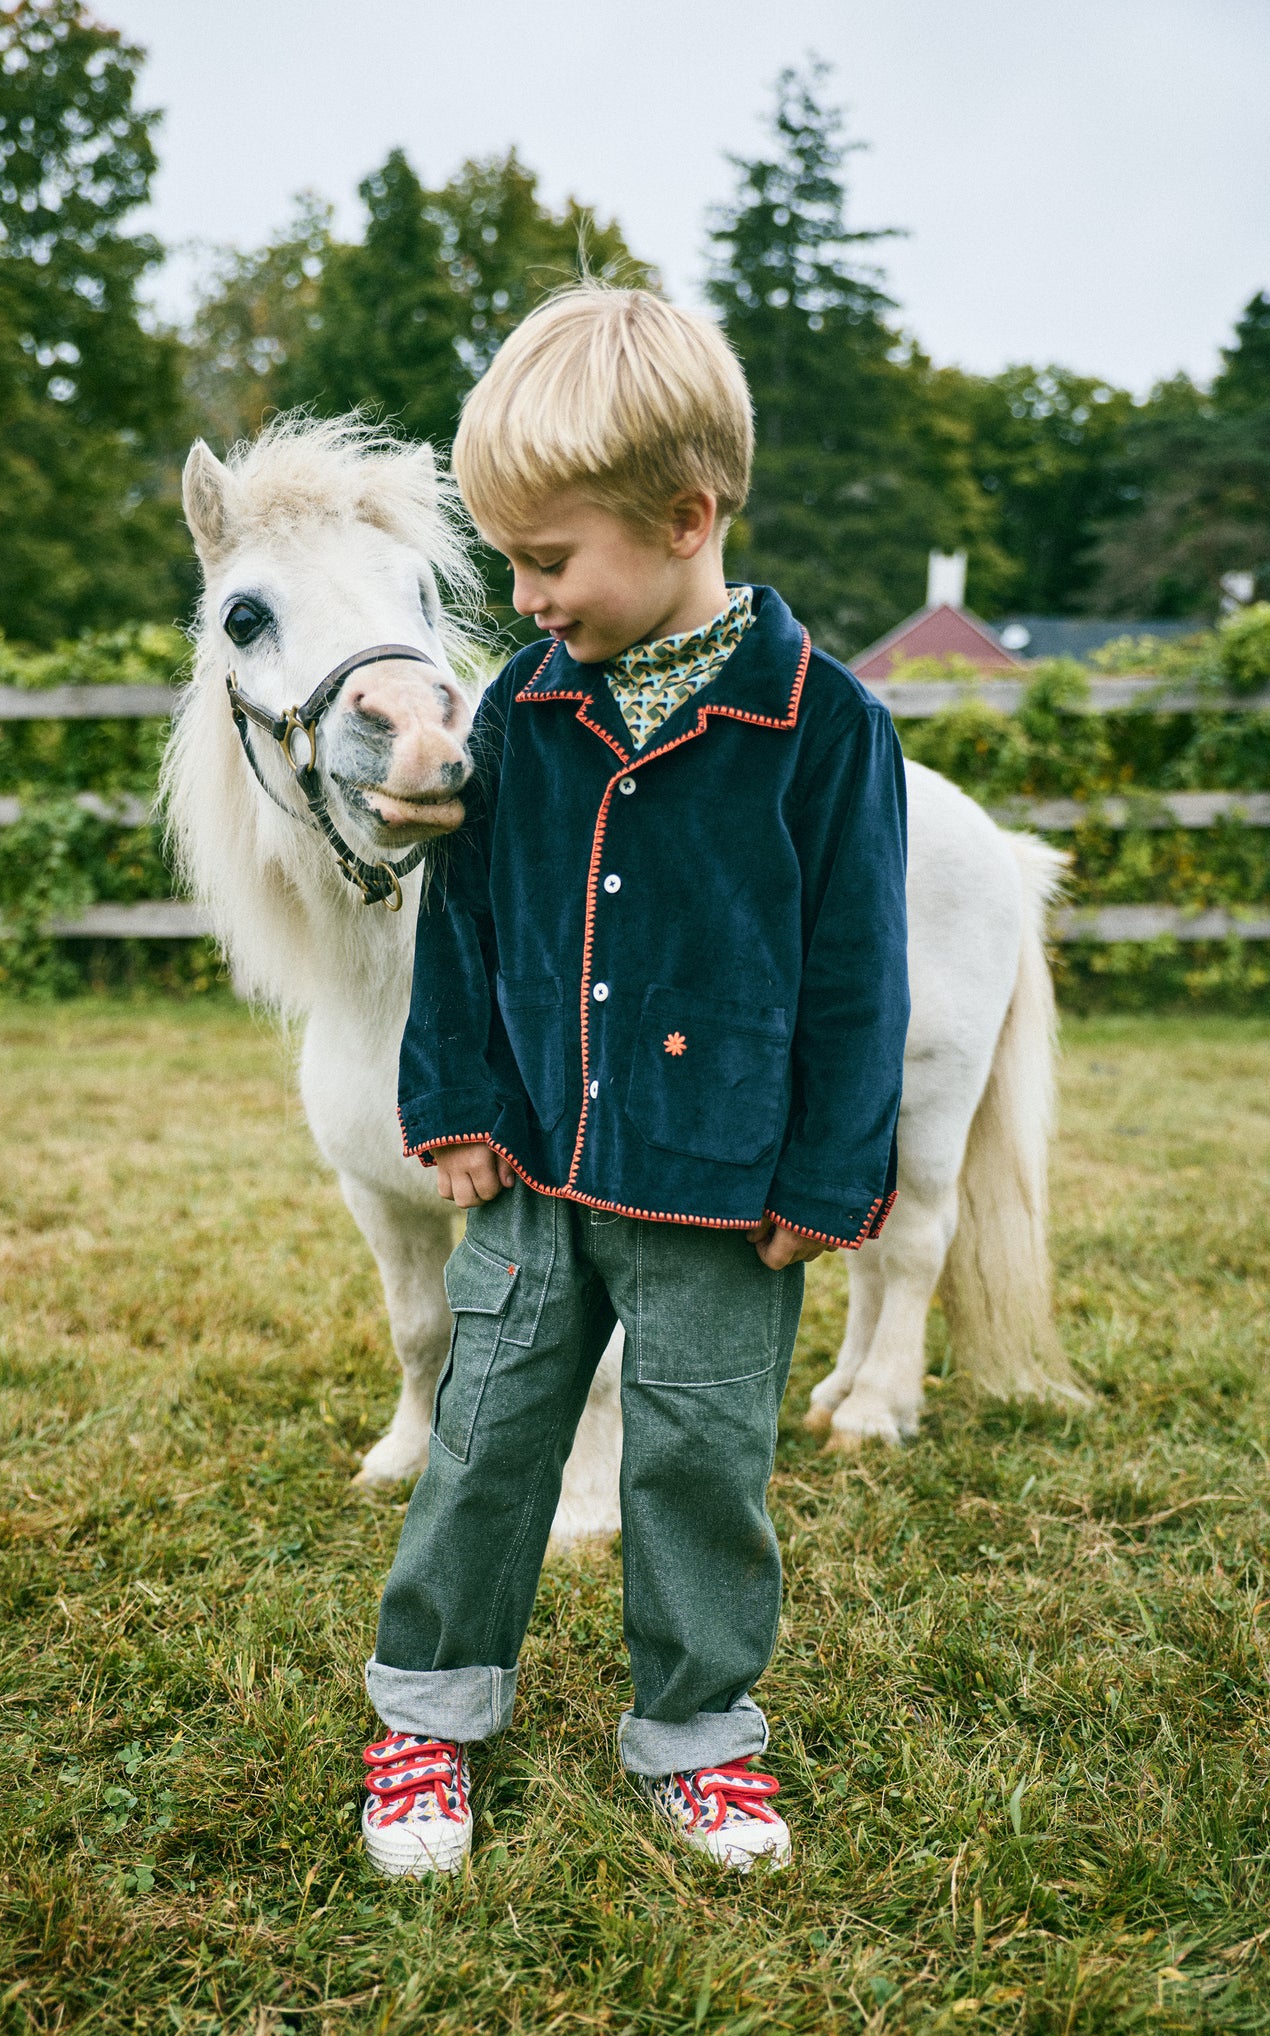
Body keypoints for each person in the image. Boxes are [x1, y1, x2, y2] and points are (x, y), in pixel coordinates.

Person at [360, 287, 910, 1879]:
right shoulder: (523, 716)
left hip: (723, 1196)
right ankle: (428, 1708)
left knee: (696, 1461)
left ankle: (696, 1732)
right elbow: (460, 925)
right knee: (482, 1436)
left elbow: (858, 975)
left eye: (549, 560)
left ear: (685, 517)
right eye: (509, 563)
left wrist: (827, 1182)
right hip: (532, 1172)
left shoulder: (823, 729)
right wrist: (452, 1097)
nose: (525, 599)